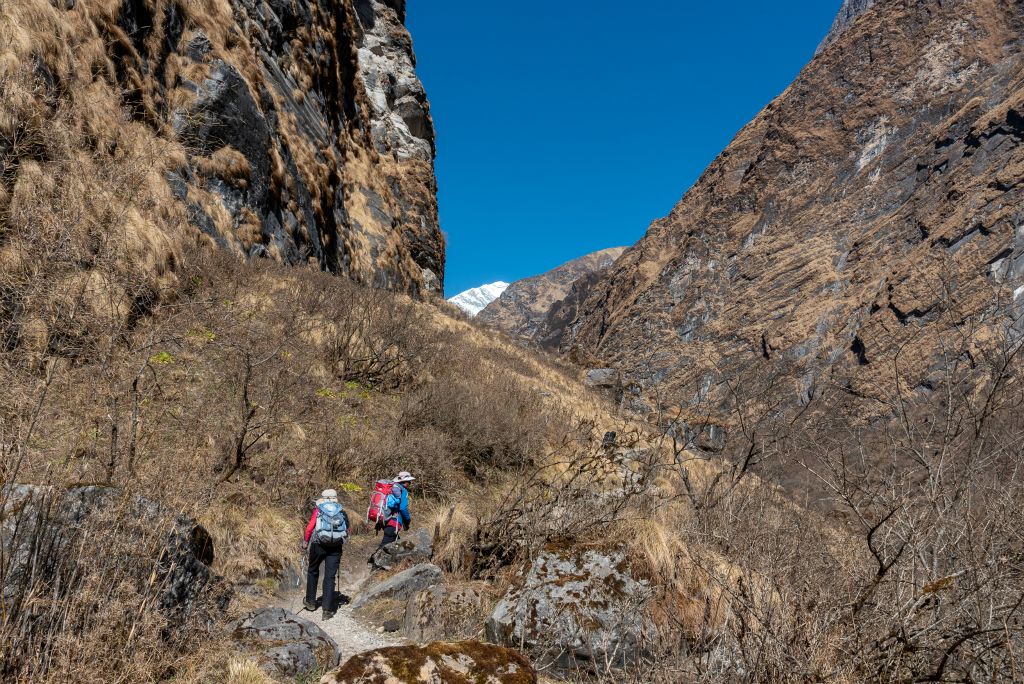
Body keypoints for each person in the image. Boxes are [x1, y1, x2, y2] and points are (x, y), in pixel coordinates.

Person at [302, 489, 348, 619]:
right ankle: (327, 610)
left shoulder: (319, 510)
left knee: (313, 570)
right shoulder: (341, 511)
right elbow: (347, 529)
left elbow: (310, 527)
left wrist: (305, 542)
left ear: (323, 498)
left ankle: (310, 602)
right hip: (335, 547)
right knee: (330, 577)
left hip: (318, 544)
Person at [379, 471, 414, 549]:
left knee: (396, 544)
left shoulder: (392, 487)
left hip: (385, 519)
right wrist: (408, 520)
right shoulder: (403, 490)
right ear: (405, 482)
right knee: (383, 546)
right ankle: (371, 560)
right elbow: (403, 508)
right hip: (394, 523)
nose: (410, 483)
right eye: (409, 482)